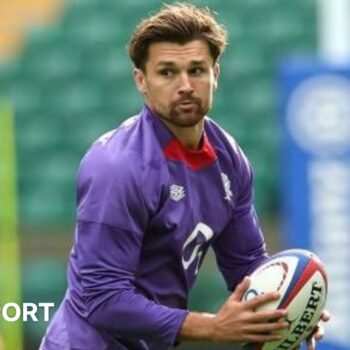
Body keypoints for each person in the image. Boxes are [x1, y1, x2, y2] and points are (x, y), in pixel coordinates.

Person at [40, 3, 329, 350]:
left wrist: (286, 309)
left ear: (215, 74)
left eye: (197, 70)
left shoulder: (229, 159)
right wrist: (212, 327)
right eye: (167, 72)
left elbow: (246, 263)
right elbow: (103, 299)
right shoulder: (117, 167)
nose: (186, 85)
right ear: (141, 80)